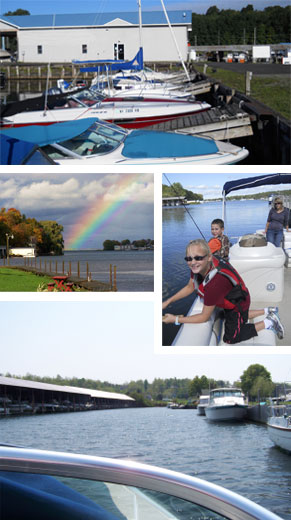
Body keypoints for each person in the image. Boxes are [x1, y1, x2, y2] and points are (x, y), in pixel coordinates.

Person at [163, 239, 284, 343]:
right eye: (188, 258)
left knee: (231, 338)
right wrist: (168, 301)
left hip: (238, 302)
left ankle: (269, 322)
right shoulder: (200, 266)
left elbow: (204, 317)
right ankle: (268, 310)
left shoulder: (214, 282)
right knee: (235, 315)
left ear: (209, 256)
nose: (193, 262)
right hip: (234, 296)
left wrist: (176, 319)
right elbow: (190, 287)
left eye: (198, 258)